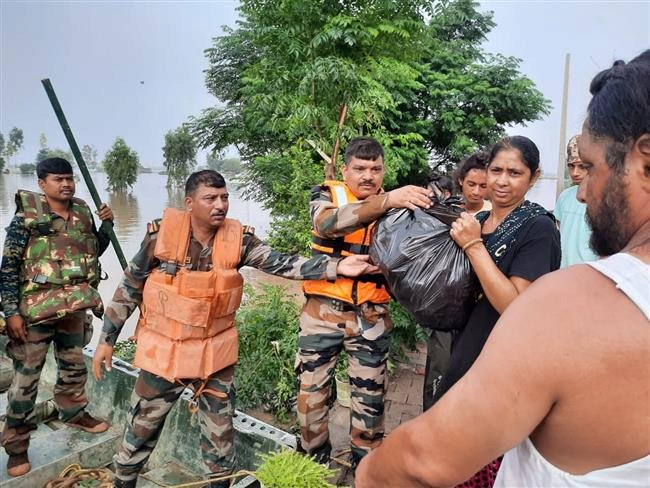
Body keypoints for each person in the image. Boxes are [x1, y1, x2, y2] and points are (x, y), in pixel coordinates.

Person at [355, 50, 650, 488]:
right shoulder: (480, 218)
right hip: (467, 359)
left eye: (588, 166)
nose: (581, 193)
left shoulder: (556, 263)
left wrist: (368, 473)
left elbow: (424, 460)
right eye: (495, 170)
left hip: (494, 390)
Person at [91, 169, 379, 488]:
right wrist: (106, 340)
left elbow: (281, 263)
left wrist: (335, 266)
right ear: (190, 203)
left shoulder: (238, 240)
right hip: (164, 357)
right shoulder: (161, 238)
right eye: (210, 198)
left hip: (215, 358)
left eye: (224, 197)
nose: (220, 205)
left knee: (220, 444)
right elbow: (129, 287)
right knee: (139, 434)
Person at [296, 136, 433, 468]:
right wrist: (387, 202)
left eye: (375, 169)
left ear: (384, 171)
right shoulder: (326, 195)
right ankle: (311, 464)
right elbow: (326, 224)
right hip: (321, 314)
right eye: (359, 168)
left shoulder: (400, 206)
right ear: (345, 170)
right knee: (311, 396)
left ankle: (367, 468)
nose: (368, 176)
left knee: (370, 400)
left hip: (371, 315)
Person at [0, 158, 114, 477]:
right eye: (58, 179)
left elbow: (90, 253)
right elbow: (8, 267)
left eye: (69, 179)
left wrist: (106, 227)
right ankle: (17, 446)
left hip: (72, 307)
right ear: (42, 184)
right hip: (35, 311)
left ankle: (75, 412)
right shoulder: (26, 217)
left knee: (74, 366)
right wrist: (11, 312)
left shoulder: (81, 212)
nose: (66, 184)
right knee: (26, 380)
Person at [422, 151, 492, 411]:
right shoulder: (449, 209)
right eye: (471, 184)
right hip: (443, 301)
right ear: (460, 180)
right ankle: (430, 417)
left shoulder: (492, 216)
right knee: (439, 364)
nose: (476, 191)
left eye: (483, 186)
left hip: (475, 303)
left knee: (467, 366)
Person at [555, 135, 599, 267]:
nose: (575, 173)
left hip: (591, 274)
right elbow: (559, 230)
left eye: (582, 166)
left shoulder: (606, 200)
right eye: (571, 166)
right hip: (561, 272)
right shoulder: (565, 196)